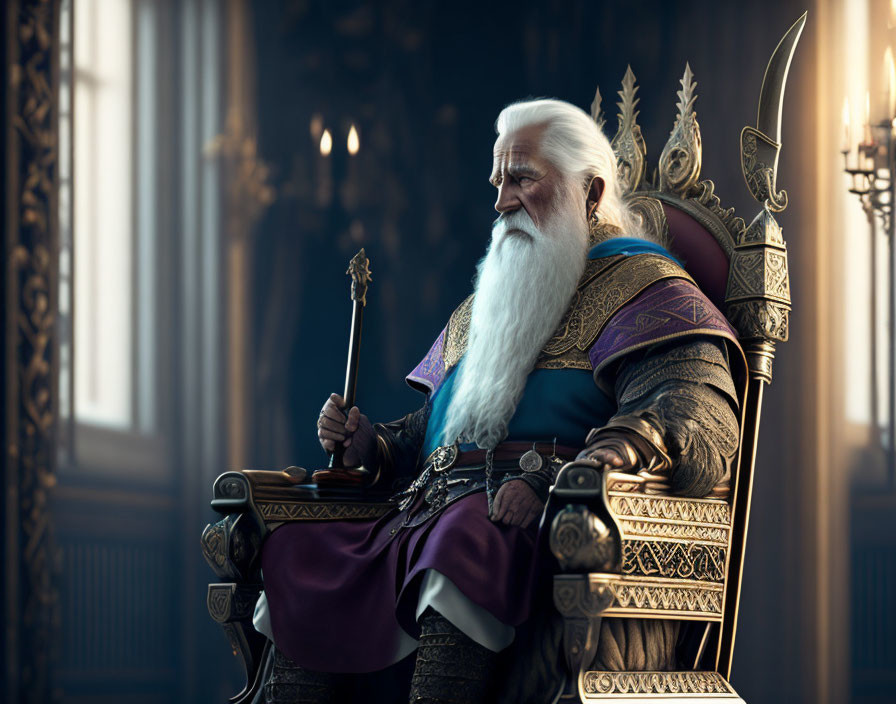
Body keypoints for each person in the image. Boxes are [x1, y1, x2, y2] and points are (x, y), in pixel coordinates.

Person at [256, 98, 743, 703]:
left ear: (590, 195)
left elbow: (693, 414)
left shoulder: (647, 291)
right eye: (498, 181)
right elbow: (435, 434)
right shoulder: (487, 304)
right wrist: (372, 443)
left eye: (522, 179)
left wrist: (574, 474)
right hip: (428, 515)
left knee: (462, 539)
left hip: (536, 525)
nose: (501, 201)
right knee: (300, 555)